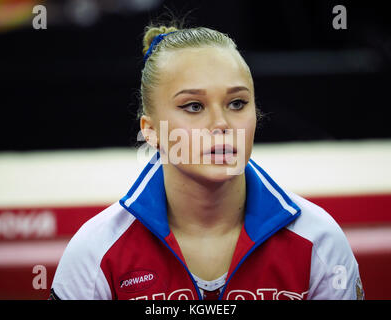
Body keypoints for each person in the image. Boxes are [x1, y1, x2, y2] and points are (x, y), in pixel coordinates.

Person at [50, 23, 364, 300]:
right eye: (194, 106)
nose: (221, 124)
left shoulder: (319, 241)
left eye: (237, 103)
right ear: (150, 131)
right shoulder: (95, 251)